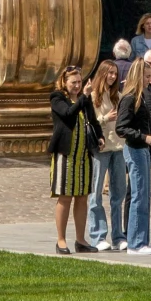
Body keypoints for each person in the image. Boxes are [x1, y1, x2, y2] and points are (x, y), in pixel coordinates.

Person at [48, 63, 101, 254]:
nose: (77, 86)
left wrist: (100, 136)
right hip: (66, 154)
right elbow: (68, 115)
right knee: (65, 196)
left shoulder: (83, 99)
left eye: (79, 82)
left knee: (82, 197)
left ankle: (81, 239)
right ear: (64, 81)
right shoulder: (57, 98)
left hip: (83, 154)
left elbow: (93, 121)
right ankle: (61, 239)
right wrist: (84, 97)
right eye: (73, 82)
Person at [116, 51, 151, 252]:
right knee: (138, 195)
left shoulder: (143, 96)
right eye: (146, 76)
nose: (150, 78)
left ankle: (142, 241)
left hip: (143, 149)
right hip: (135, 149)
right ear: (138, 76)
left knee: (143, 195)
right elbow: (121, 128)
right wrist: (144, 137)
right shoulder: (129, 98)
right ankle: (135, 243)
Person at [84, 58, 127, 251]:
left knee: (118, 194)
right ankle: (98, 236)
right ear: (102, 74)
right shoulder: (93, 97)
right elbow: (89, 123)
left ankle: (118, 235)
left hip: (118, 148)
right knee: (96, 193)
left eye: (115, 74)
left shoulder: (117, 95)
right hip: (100, 149)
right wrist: (104, 118)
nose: (112, 77)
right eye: (109, 73)